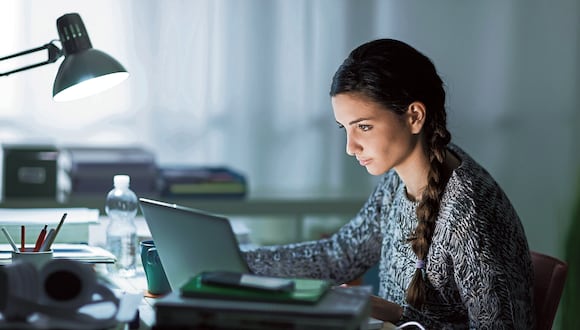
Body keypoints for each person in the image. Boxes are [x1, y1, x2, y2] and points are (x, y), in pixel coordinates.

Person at [243, 38, 534, 329]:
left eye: (364, 127)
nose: (350, 146)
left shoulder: (470, 215)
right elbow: (340, 255)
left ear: (414, 117)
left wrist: (397, 315)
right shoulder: (400, 180)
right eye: (345, 128)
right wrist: (239, 262)